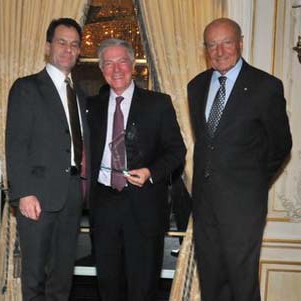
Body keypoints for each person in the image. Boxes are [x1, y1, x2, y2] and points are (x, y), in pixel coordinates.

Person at [188, 18, 292, 301]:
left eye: (226, 43)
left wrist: (252, 184)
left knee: (242, 282)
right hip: (205, 204)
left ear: (240, 43)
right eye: (212, 45)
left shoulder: (265, 86)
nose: (219, 51)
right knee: (211, 281)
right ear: (205, 49)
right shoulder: (195, 87)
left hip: (243, 206)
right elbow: (208, 144)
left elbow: (281, 146)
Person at [87, 38, 186, 301]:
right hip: (104, 205)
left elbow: (177, 152)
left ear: (132, 65)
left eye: (122, 61)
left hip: (144, 207)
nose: (116, 69)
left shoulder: (158, 104)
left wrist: (151, 173)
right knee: (107, 286)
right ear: (101, 69)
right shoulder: (90, 107)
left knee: (143, 288)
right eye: (108, 63)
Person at [5, 18, 89, 300]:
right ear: (48, 46)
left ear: (79, 51)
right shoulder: (27, 88)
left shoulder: (81, 96)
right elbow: (16, 144)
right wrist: (24, 193)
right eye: (62, 42)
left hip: (72, 195)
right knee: (34, 279)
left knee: (62, 278)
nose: (68, 49)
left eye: (74, 45)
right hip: (36, 198)